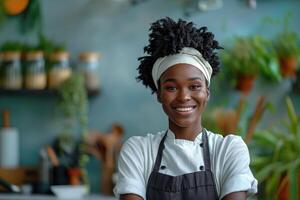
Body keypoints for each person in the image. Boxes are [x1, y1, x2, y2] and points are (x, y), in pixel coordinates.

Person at [113, 17, 257, 200]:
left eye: (195, 86)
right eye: (171, 87)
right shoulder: (139, 151)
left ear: (207, 93)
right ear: (159, 94)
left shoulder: (228, 149)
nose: (183, 97)